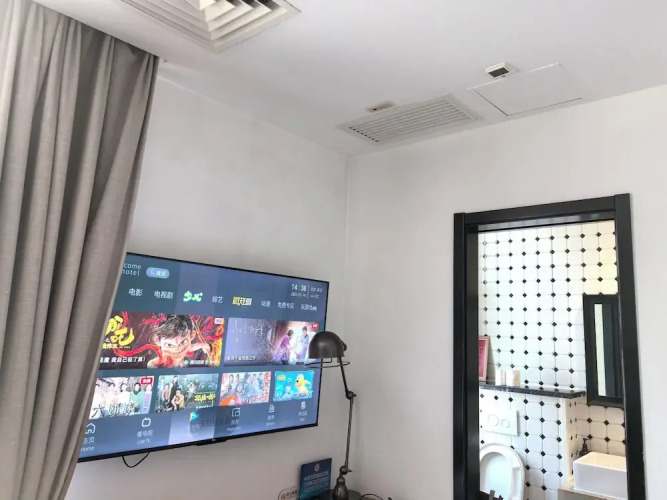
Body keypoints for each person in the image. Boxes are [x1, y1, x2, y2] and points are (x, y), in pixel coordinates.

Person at [147, 315, 211, 368]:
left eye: (183, 342)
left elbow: (194, 346)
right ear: (158, 341)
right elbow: (150, 363)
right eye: (169, 345)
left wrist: (204, 346)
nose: (177, 349)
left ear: (192, 335)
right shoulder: (165, 357)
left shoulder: (185, 349)